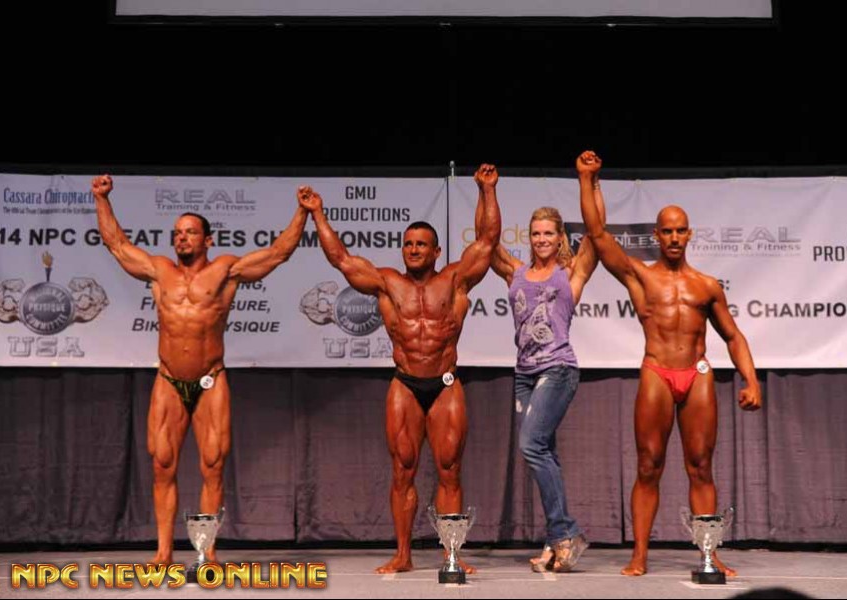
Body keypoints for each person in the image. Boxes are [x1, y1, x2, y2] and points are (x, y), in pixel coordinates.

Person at [92, 174, 310, 565]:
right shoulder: (160, 270)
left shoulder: (225, 270)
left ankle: (207, 552)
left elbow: (278, 253)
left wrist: (302, 212)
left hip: (211, 380)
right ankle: (163, 552)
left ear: (208, 240)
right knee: (162, 464)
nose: (182, 238)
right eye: (177, 233)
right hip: (169, 380)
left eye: (190, 232)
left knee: (212, 465)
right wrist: (101, 199)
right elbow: (117, 245)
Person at [297, 165, 501, 574]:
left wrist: (487, 191)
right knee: (402, 470)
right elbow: (340, 259)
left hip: (445, 384)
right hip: (405, 384)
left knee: (450, 470)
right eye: (408, 244)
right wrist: (317, 213)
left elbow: (487, 240)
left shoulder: (456, 280)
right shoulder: (387, 283)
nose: (413, 249)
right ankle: (403, 554)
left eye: (421, 244)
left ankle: (451, 554)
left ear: (437, 251)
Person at [575, 150, 762, 577]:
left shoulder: (706, 286)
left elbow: (733, 336)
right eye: (668, 231)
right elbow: (598, 235)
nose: (674, 238)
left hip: (697, 374)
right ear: (656, 235)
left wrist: (751, 380)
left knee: (701, 467)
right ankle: (639, 554)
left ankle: (709, 555)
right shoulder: (641, 276)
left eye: (681, 231)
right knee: (648, 465)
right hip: (657, 371)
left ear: (689, 234)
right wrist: (587, 179)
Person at [476, 158, 603, 572]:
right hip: (524, 375)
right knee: (543, 451)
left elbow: (597, 232)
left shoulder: (571, 272)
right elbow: (485, 241)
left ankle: (566, 532)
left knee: (531, 444)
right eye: (536, 233)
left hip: (558, 369)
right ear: (528, 237)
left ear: (560, 236)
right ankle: (555, 542)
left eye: (549, 233)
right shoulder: (515, 273)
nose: (542, 239)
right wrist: (486, 191)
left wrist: (590, 180)